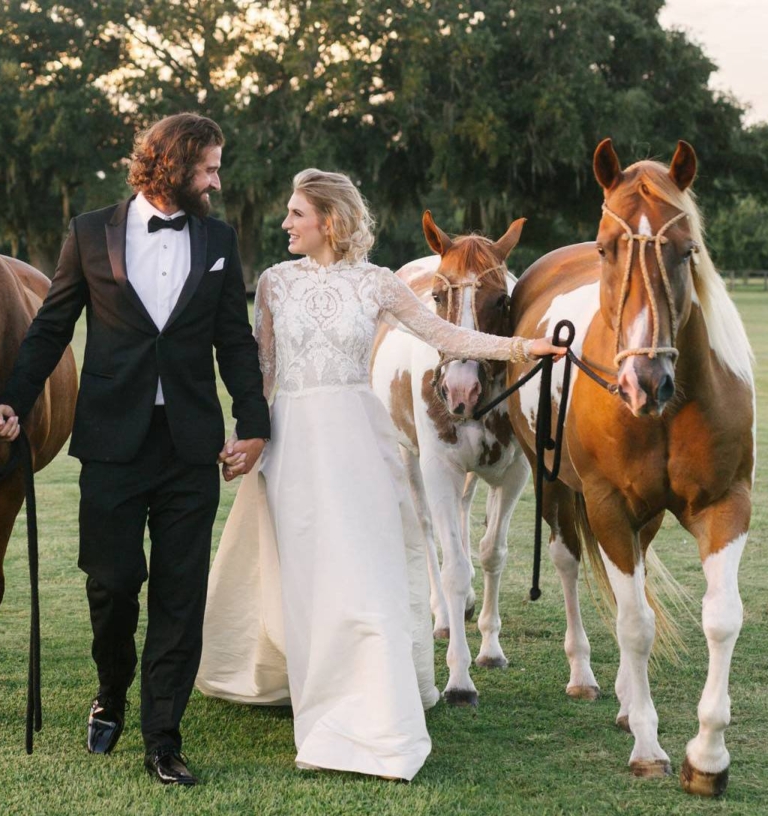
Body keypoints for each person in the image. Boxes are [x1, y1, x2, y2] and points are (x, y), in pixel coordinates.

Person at [196, 169, 565, 781]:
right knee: (305, 571)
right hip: (292, 442)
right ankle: (308, 678)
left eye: (296, 214)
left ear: (330, 221)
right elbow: (262, 371)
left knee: (364, 568)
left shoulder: (379, 284)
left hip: (356, 438)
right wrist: (248, 438)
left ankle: (368, 707)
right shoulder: (272, 284)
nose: (284, 223)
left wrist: (523, 349)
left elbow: (443, 332)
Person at [0, 113, 270, 787]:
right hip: (112, 442)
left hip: (190, 446)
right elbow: (53, 324)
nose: (216, 179)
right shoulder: (89, 232)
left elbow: (234, 340)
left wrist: (253, 421)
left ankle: (162, 737)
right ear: (172, 166)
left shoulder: (220, 240)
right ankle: (110, 689)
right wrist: (14, 399)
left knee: (180, 595)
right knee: (112, 584)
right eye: (208, 167)